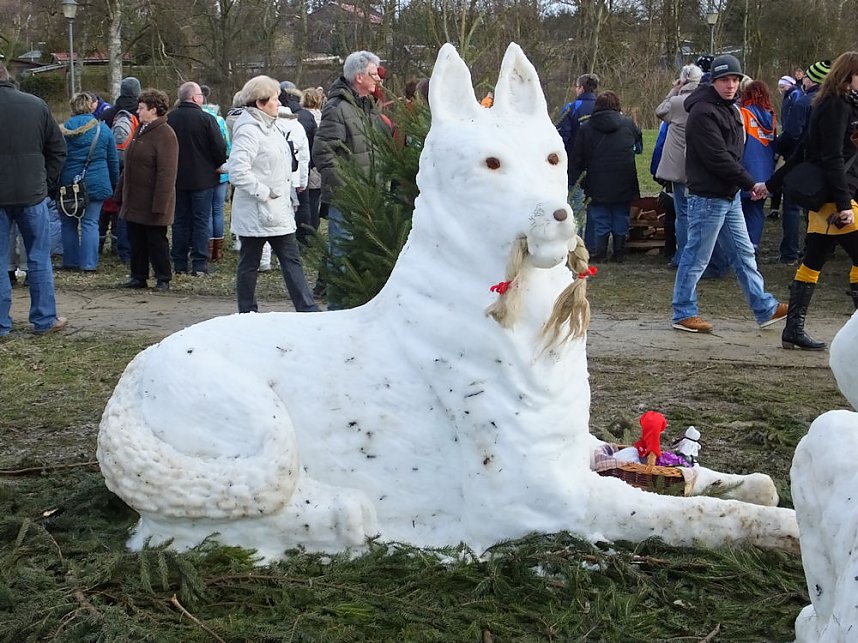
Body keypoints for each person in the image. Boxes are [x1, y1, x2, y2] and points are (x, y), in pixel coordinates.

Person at [672, 54, 787, 334]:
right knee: (697, 256)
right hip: (709, 196)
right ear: (713, 81)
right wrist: (751, 183)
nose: (731, 85)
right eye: (725, 80)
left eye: (735, 79)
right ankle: (683, 312)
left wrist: (745, 184)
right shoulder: (702, 112)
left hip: (729, 194)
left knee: (744, 253)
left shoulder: (729, 108)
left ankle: (765, 307)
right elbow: (717, 158)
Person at [764, 52, 858, 350]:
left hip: (841, 195)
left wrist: (769, 185)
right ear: (848, 76)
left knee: (813, 259)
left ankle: (793, 329)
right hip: (834, 198)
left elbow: (803, 150)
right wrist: (844, 204)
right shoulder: (835, 106)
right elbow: (828, 156)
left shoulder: (844, 104)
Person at [226, 76, 319, 314]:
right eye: (274, 99)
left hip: (278, 210)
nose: (278, 103)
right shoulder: (248, 130)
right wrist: (264, 193)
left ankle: (307, 308)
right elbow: (237, 171)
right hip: (258, 210)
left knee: (291, 260)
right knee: (250, 262)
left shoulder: (272, 126)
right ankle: (247, 311)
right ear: (259, 102)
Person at [313, 50, 385, 309]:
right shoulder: (338, 108)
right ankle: (336, 310)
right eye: (374, 73)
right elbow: (324, 153)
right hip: (347, 200)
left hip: (371, 197)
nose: (378, 78)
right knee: (341, 256)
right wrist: (349, 190)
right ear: (359, 76)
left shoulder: (370, 108)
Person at [0, 61, 68, 335]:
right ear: (8, 76)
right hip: (32, 194)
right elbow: (58, 150)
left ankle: (1, 324)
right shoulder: (36, 105)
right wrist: (45, 183)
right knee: (39, 257)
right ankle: (44, 320)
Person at [114, 89, 179, 292]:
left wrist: (160, 203)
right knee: (137, 239)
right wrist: (120, 192)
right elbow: (129, 164)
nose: (138, 111)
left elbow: (167, 173)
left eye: (141, 108)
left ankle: (163, 278)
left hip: (153, 201)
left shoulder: (166, 134)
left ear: (153, 109)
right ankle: (138, 276)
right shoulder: (140, 130)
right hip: (135, 199)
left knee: (156, 240)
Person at [568, 91, 641, 262]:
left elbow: (577, 156)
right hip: (624, 178)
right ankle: (618, 252)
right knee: (620, 215)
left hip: (596, 179)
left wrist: (574, 179)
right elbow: (638, 143)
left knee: (600, 216)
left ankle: (599, 252)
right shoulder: (628, 124)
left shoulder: (586, 127)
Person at [772, 60, 831, 265]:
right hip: (827, 163)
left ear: (811, 79)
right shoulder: (835, 102)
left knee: (791, 207)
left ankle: (790, 251)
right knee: (818, 207)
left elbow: (793, 133)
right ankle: (819, 249)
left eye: (806, 75)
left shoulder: (804, 102)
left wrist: (777, 148)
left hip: (800, 161)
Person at [166, 81, 228, 276]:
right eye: (201, 94)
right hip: (203, 179)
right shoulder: (207, 119)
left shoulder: (169, 119)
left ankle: (179, 264)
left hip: (176, 178)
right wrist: (217, 163)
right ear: (195, 98)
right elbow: (220, 148)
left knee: (179, 221)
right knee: (201, 220)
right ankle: (199, 264)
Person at [58, 92, 119, 272]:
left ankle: (70, 261)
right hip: (97, 182)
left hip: (69, 183)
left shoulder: (63, 130)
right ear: (91, 106)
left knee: (68, 223)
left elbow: (57, 157)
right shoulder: (103, 129)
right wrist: (115, 182)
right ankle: (89, 264)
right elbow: (112, 160)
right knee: (90, 223)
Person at [655, 64, 703, 268]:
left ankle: (682, 256)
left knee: (682, 214)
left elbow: (660, 111)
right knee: (699, 214)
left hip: (677, 166)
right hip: (699, 165)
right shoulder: (704, 101)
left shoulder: (676, 103)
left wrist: (674, 89)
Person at [98, 76, 141, 262]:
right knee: (130, 209)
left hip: (111, 166)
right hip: (135, 166)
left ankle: (105, 245)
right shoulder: (142, 114)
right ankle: (128, 249)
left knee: (109, 208)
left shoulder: (108, 114)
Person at [556, 73, 599, 248]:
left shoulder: (572, 107)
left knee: (574, 204)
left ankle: (573, 241)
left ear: (581, 88)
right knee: (594, 205)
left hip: (575, 164)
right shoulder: (604, 106)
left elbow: (561, 137)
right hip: (599, 164)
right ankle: (591, 243)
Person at [738, 80, 777, 251]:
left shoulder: (744, 113)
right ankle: (753, 245)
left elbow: (739, 143)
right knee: (756, 210)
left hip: (746, 169)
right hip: (766, 172)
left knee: (739, 211)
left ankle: (740, 247)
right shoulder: (771, 116)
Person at [280, 81, 318, 246]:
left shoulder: (278, 118)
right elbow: (314, 141)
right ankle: (304, 238)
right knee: (304, 203)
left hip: (282, 167)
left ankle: (285, 236)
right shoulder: (305, 116)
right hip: (303, 164)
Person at [200, 87, 231, 263]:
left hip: (205, 171)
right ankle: (217, 251)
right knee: (218, 209)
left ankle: (207, 246)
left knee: (207, 211)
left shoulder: (199, 120)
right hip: (222, 170)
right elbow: (227, 146)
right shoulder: (219, 120)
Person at [302, 86, 325, 237]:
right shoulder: (324, 117)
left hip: (307, 164)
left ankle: (305, 231)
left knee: (306, 201)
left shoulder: (300, 118)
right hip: (319, 166)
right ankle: (313, 231)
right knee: (315, 200)